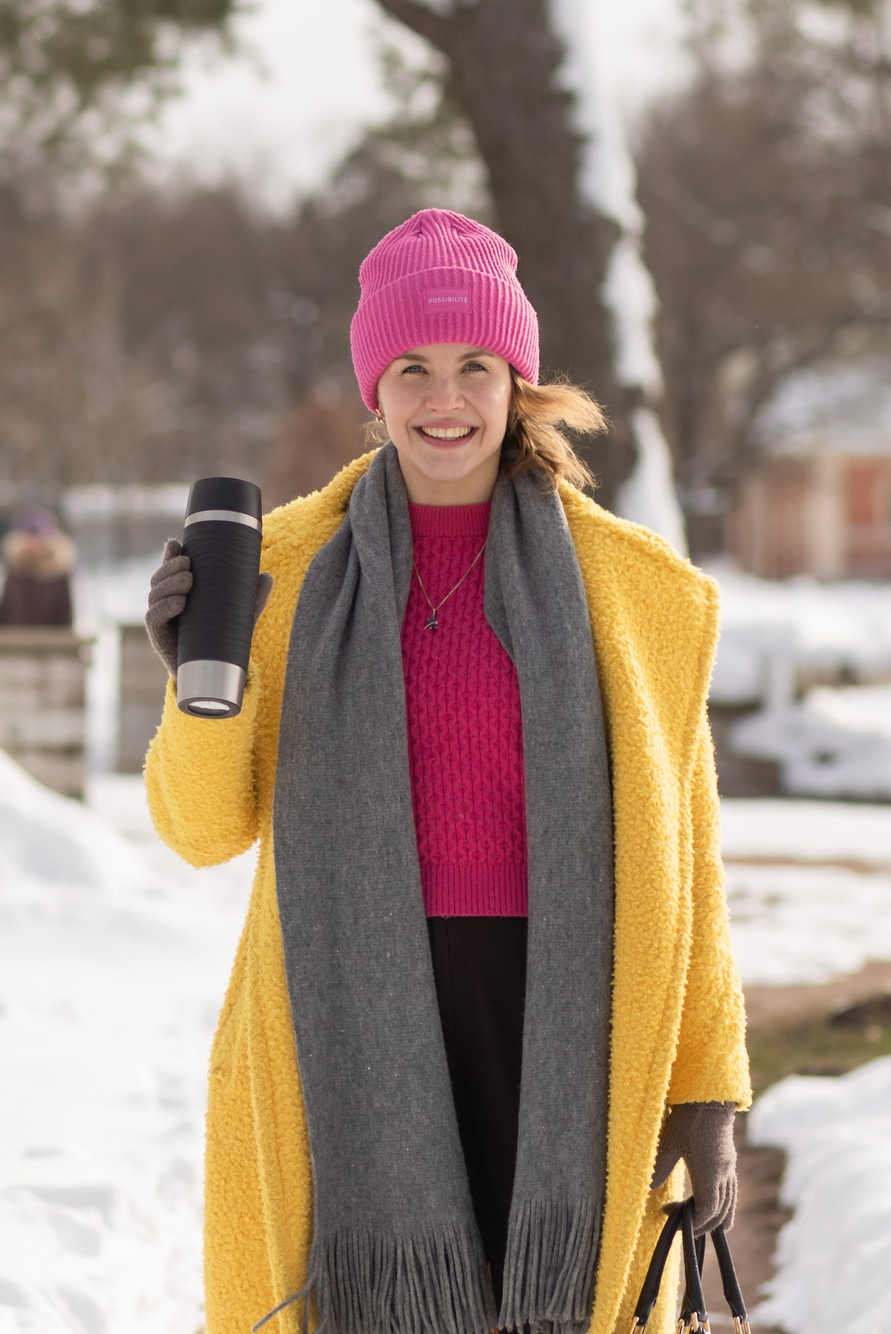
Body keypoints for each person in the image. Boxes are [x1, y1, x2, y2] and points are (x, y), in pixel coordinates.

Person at [141, 209, 747, 1334]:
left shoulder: (636, 593)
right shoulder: (277, 575)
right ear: (374, 393)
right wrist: (194, 684)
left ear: (519, 381)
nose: (444, 399)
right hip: (348, 1026)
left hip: (570, 1023)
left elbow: (688, 859)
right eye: (411, 368)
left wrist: (707, 1086)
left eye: (474, 365)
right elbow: (201, 830)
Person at [0, 509, 77, 629]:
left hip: (51, 643)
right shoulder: (14, 571)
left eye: (39, 536)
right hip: (15, 641)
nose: (35, 542)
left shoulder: (58, 574)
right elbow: (1, 611)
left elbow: (66, 616)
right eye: (30, 536)